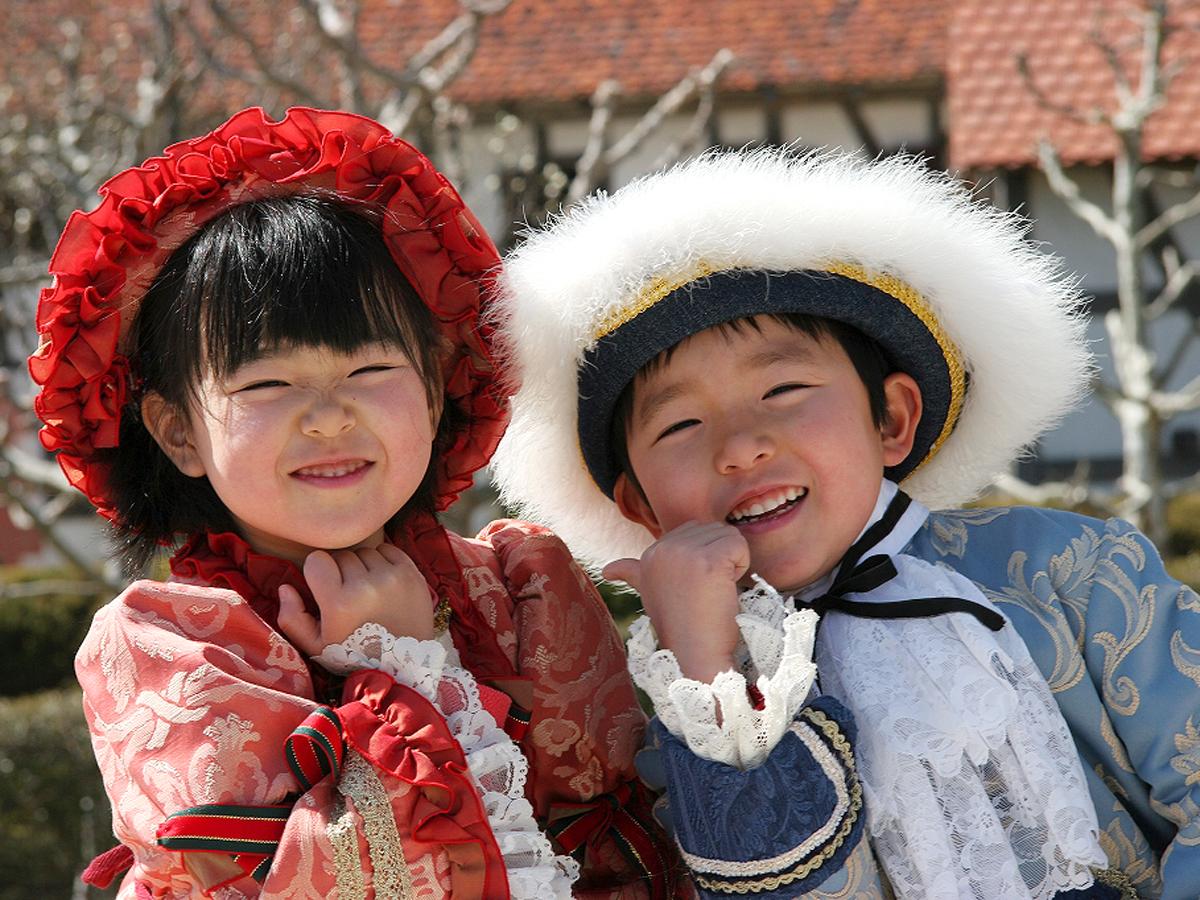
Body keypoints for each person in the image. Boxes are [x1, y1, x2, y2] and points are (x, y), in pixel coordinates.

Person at [489, 148, 1200, 899]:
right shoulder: (683, 713)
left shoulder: (1072, 570)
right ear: (638, 506)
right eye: (681, 424)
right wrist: (711, 669)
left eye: (785, 388)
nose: (740, 446)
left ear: (891, 418)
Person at [30, 106, 682, 898]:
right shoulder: (169, 649)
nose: (330, 414)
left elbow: (632, 853)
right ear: (177, 434)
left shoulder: (526, 592)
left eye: (371, 371)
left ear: (439, 396)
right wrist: (400, 663)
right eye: (267, 383)